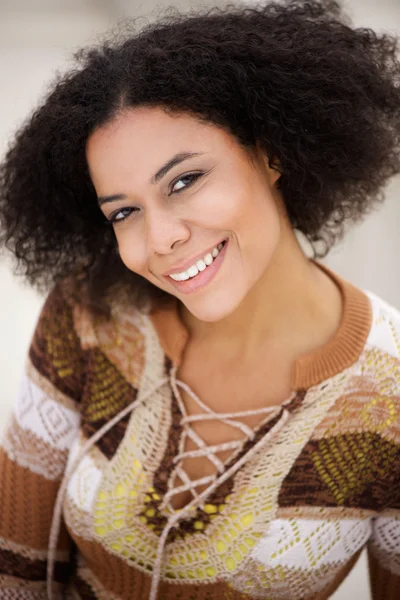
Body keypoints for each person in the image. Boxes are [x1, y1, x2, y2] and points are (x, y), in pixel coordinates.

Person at [1, 0, 400, 598]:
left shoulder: (391, 400)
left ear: (271, 153)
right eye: (125, 211)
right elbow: (16, 566)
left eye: (184, 181)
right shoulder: (89, 313)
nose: (160, 239)